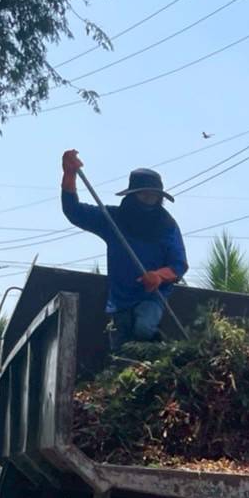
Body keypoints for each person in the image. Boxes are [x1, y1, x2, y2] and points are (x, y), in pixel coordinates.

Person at [60, 150, 188, 350]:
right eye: (144, 194)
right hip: (120, 299)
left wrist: (159, 276)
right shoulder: (113, 219)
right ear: (133, 195)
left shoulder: (167, 226)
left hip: (152, 296)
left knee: (144, 328)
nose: (149, 199)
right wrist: (69, 175)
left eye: (153, 196)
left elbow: (179, 265)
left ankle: (160, 348)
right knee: (122, 346)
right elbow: (74, 211)